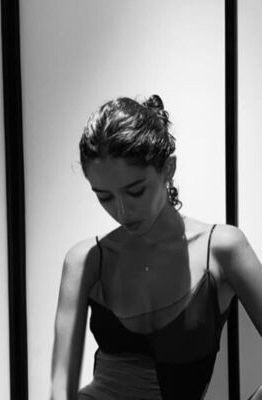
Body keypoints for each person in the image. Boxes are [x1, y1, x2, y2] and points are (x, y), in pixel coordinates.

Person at [50, 95, 262, 400]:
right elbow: (60, 390)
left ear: (168, 168)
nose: (122, 211)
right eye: (104, 197)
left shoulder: (222, 249)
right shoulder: (85, 260)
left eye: (136, 191)